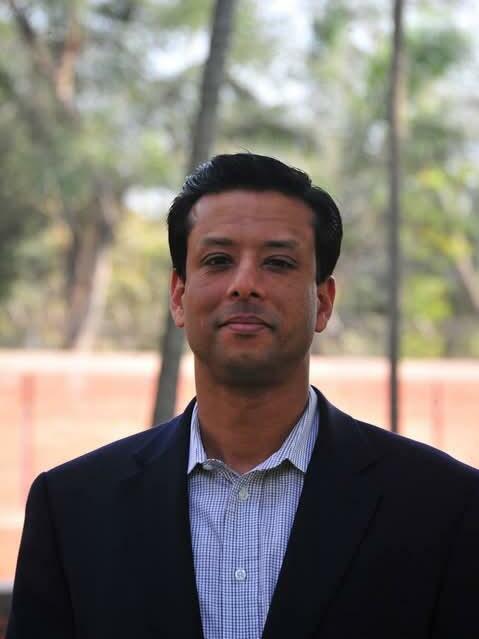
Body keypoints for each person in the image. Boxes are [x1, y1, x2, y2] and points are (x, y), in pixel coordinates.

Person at [7, 153, 479, 639]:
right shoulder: (73, 510)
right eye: (218, 261)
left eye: (278, 263)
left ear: (323, 302)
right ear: (178, 296)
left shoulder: (445, 507)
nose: (245, 285)